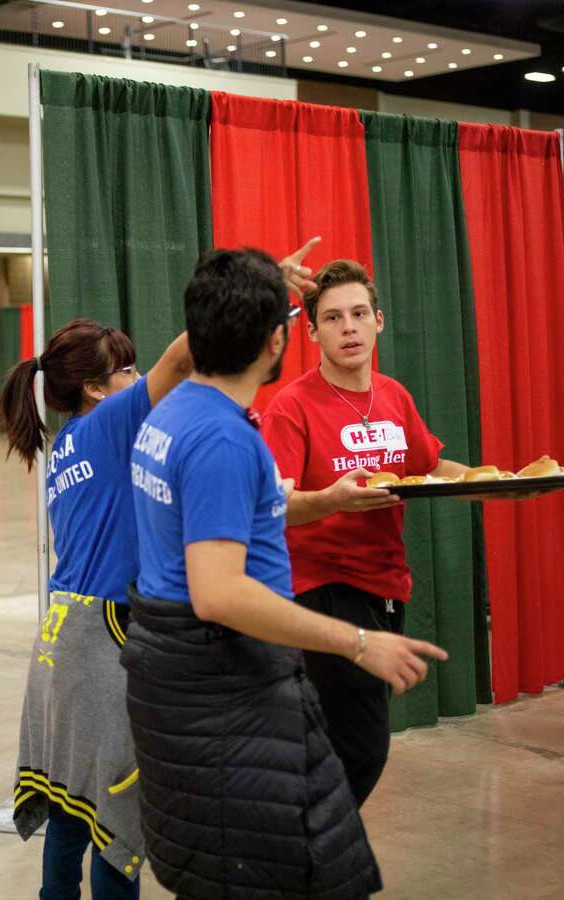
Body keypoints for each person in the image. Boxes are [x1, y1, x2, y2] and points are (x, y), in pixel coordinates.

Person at [122, 248, 448, 899]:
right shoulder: (224, 439)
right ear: (283, 340)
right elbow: (219, 593)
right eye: (328, 316)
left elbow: (189, 355)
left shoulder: (173, 410)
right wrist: (358, 641)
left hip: (177, 671)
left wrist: (324, 500)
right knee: (269, 850)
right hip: (219, 671)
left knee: (232, 844)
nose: (348, 327)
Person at [259, 258, 472, 807]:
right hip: (319, 590)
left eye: (358, 314)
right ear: (310, 332)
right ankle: (307, 858)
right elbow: (269, 508)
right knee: (361, 746)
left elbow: (428, 469)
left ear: (379, 321)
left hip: (384, 587)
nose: (348, 327)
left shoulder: (395, 395)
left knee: (335, 743)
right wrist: (331, 501)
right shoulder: (292, 406)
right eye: (332, 318)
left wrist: (507, 484)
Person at [1, 316, 193, 900]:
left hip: (63, 640)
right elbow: (184, 359)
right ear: (95, 387)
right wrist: (254, 289)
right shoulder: (109, 422)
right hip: (101, 640)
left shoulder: (66, 445)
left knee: (71, 800)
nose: (138, 378)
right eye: (128, 369)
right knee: (117, 811)